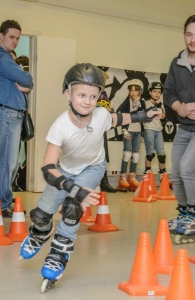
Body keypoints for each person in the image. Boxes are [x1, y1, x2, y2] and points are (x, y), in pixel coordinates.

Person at [19, 63, 162, 287]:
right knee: (41, 213)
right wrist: (74, 188)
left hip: (93, 167)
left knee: (72, 207)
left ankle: (58, 256)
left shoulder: (101, 114)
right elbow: (48, 168)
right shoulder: (60, 126)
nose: (87, 101)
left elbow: (119, 119)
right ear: (68, 93)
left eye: (93, 96)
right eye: (82, 95)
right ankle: (39, 233)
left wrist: (145, 115)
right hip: (64, 170)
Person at [0, 20, 34, 217]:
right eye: (11, 37)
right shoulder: (1, 58)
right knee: (6, 162)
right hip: (6, 114)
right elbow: (27, 80)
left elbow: (25, 82)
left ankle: (3, 200)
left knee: (10, 162)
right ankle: (0, 205)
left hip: (10, 115)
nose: (15, 41)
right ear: (1, 36)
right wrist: (25, 80)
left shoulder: (5, 58)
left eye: (17, 38)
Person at [164, 15, 195, 243]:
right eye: (189, 34)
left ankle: (193, 215)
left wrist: (192, 106)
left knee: (187, 169)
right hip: (184, 126)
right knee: (176, 173)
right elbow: (168, 92)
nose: (192, 40)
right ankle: (184, 213)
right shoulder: (178, 62)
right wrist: (180, 108)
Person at [116, 79, 146, 192]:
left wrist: (139, 106)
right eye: (131, 90)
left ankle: (132, 177)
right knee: (127, 154)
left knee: (136, 155)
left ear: (140, 92)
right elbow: (121, 116)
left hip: (138, 131)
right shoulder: (125, 103)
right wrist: (124, 130)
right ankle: (122, 177)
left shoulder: (142, 102)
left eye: (136, 90)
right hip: (128, 131)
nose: (133, 92)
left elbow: (144, 117)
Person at [143, 82, 172, 185]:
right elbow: (143, 116)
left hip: (158, 130)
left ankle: (163, 177)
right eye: (154, 91)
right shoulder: (145, 103)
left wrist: (162, 115)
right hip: (148, 129)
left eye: (159, 92)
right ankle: (147, 174)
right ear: (150, 92)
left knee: (162, 155)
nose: (157, 94)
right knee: (150, 153)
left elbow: (164, 116)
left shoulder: (160, 103)